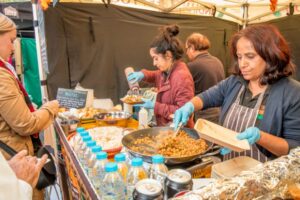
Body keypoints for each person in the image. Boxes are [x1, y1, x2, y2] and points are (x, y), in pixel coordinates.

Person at [174, 24, 300, 162]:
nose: (242, 64)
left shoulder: (292, 93)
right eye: (239, 57)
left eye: (250, 56)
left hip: (266, 177)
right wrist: (190, 106)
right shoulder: (235, 82)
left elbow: (295, 148)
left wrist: (261, 137)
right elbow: (207, 97)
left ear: (270, 55)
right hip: (229, 169)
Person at [0, 13, 59, 199]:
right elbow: (25, 124)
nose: (13, 46)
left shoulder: (4, 69)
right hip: (13, 158)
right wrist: (51, 108)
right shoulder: (1, 77)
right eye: (10, 40)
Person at [127, 25, 195, 127]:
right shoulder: (167, 69)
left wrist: (155, 106)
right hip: (165, 127)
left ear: (168, 55)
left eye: (156, 58)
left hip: (179, 131)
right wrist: (143, 74)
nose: (154, 63)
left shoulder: (182, 77)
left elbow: (183, 112)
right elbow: (155, 75)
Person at [185, 33, 225, 123]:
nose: (186, 53)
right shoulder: (217, 61)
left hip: (203, 113)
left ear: (191, 48)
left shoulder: (192, 66)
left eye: (187, 49)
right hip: (219, 111)